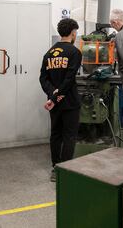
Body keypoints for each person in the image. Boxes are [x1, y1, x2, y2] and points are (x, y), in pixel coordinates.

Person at [39, 18, 82, 182]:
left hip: (53, 103)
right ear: (73, 33)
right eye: (76, 33)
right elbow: (70, 78)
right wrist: (59, 94)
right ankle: (66, 169)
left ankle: (55, 169)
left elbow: (43, 78)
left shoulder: (48, 53)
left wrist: (53, 95)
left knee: (55, 134)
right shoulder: (74, 52)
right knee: (69, 136)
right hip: (70, 101)